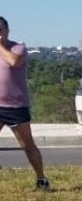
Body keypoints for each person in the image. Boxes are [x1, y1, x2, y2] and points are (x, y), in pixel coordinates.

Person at [0, 16, 50, 191]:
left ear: (7, 30)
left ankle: (41, 178)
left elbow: (13, 61)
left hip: (15, 106)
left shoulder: (18, 48)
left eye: (0, 30)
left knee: (27, 145)